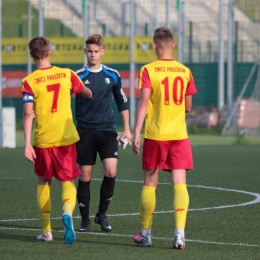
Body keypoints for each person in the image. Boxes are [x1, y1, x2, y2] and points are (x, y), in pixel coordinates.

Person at [21, 37, 92, 244]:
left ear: (31, 55)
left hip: (43, 139)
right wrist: (75, 91)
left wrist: (26, 144)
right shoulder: (67, 74)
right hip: (66, 138)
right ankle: (68, 213)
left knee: (44, 182)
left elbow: (28, 114)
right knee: (68, 180)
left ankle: (46, 231)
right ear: (49, 51)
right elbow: (87, 93)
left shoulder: (29, 81)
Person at [132, 27, 197, 249]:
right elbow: (188, 106)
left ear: (154, 46)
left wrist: (137, 131)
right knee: (179, 184)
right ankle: (179, 235)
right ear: (174, 45)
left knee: (150, 184)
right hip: (179, 135)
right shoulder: (185, 71)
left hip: (156, 135)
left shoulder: (149, 70)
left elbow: (143, 102)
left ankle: (146, 234)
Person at [75, 34, 132, 233]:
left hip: (108, 131)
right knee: (85, 176)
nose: (93, 55)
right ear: (85, 52)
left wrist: (126, 128)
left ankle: (101, 215)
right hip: (84, 131)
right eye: (89, 51)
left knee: (111, 171)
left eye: (96, 51)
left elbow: (121, 101)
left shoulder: (113, 75)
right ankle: (85, 221)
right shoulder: (78, 76)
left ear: (102, 52)